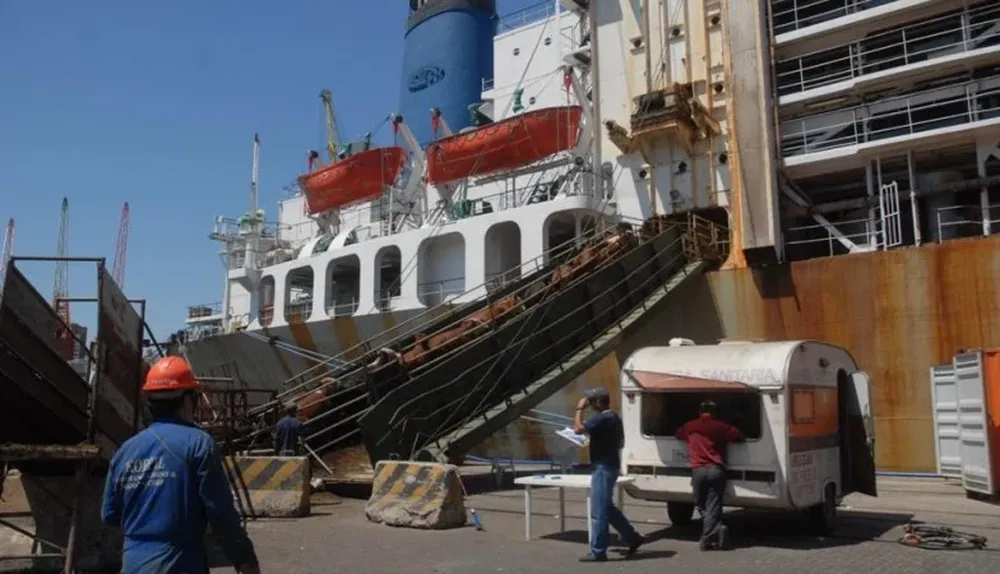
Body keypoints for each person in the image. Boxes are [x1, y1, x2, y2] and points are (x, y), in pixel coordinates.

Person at [101, 356, 261, 574]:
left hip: (133, 563)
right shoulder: (199, 443)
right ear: (187, 400)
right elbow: (221, 513)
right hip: (179, 563)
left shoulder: (125, 451)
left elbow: (110, 514)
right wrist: (245, 559)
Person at [573, 387, 643, 562]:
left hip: (602, 467)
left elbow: (578, 429)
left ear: (598, 402)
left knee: (599, 510)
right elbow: (619, 442)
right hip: (610, 465)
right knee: (607, 507)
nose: (589, 404)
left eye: (591, 401)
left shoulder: (602, 418)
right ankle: (632, 537)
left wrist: (579, 408)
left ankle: (598, 551)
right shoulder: (614, 417)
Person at [675, 400, 744, 551]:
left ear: (699, 412)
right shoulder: (720, 426)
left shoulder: (689, 426)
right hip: (716, 470)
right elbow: (738, 436)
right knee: (713, 504)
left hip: (698, 470)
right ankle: (714, 532)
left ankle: (711, 534)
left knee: (700, 503)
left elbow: (678, 434)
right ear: (715, 413)